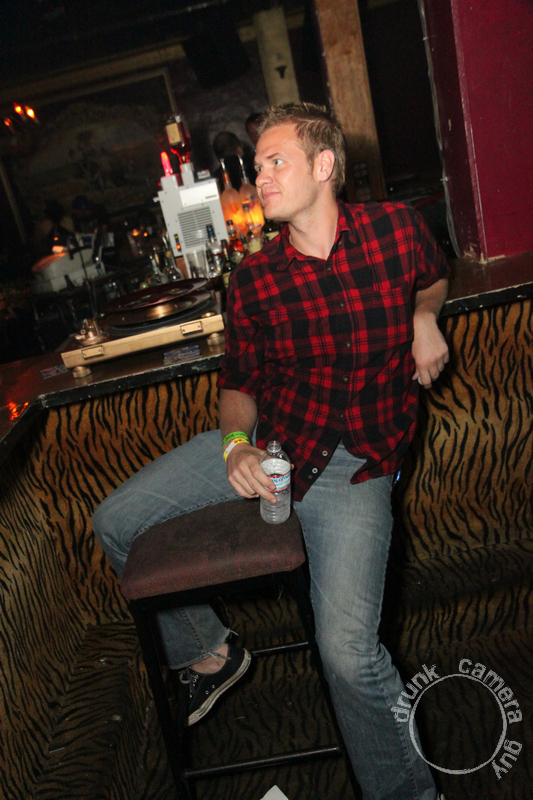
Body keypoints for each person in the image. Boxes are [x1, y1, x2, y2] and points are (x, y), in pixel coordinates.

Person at [93, 103, 450, 800]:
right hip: (271, 449)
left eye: (275, 161)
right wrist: (234, 448)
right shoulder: (254, 279)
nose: (260, 177)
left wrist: (424, 314)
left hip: (355, 469)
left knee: (348, 656)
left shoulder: (396, 230)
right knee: (114, 520)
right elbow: (239, 384)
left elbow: (434, 277)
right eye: (257, 165)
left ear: (324, 166)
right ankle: (210, 652)